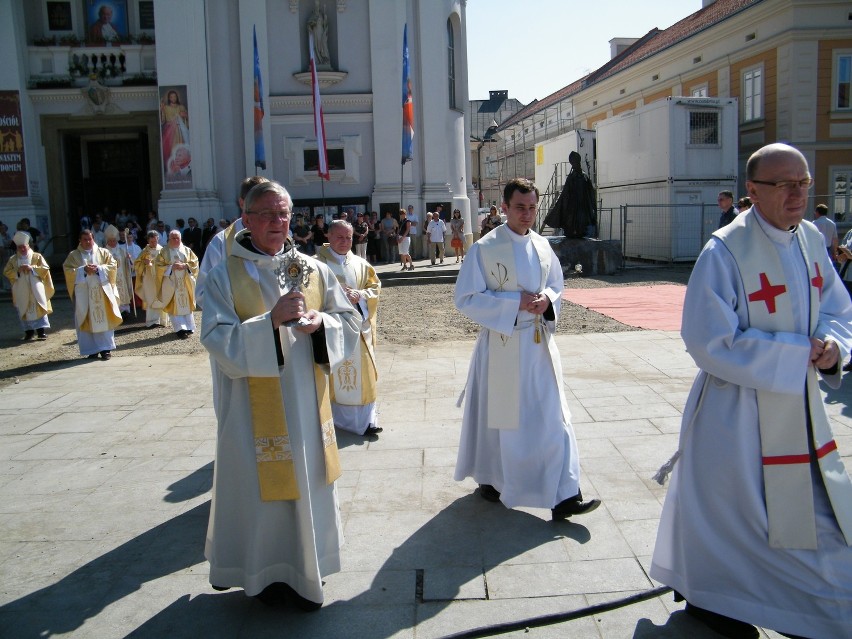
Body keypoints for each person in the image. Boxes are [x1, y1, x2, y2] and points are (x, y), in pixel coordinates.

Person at [650, 143, 852, 639]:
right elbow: (707, 340)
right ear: (753, 191)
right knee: (734, 514)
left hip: (796, 407)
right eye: (783, 184)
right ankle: (717, 600)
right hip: (735, 411)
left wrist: (832, 346)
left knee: (805, 517)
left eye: (803, 182)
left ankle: (780, 602)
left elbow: (836, 307)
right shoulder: (725, 249)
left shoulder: (808, 239)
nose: (797, 193)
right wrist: (794, 353)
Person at [200, 180, 359, 609]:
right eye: (268, 213)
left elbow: (349, 321)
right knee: (260, 487)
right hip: (255, 409)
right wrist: (268, 323)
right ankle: (265, 571)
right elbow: (215, 339)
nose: (278, 221)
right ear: (246, 220)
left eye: (284, 213)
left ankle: (310, 569)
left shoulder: (314, 268)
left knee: (306, 482)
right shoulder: (222, 276)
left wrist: (319, 325)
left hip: (307, 403)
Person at [454, 177, 601, 521]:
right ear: (504, 208)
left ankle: (565, 495)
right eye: (520, 207)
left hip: (539, 346)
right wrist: (514, 302)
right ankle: (494, 478)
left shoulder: (542, 245)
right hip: (504, 345)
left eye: (533, 207)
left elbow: (555, 285)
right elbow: (465, 298)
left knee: (554, 419)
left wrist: (547, 301)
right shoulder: (486, 248)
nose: (527, 214)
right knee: (503, 421)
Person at [315, 220, 382, 437]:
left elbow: (374, 288)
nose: (345, 242)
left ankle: (368, 420)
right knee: (338, 376)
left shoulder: (361, 264)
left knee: (364, 374)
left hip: (359, 330)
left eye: (349, 238)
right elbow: (311, 298)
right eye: (340, 237)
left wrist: (360, 296)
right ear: (329, 237)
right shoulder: (317, 265)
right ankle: (337, 419)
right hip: (333, 331)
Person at [196, 176, 269, 309]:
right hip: (236, 324)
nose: (264, 208)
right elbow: (203, 292)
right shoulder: (221, 243)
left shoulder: (280, 239)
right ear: (242, 203)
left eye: (267, 202)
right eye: (257, 201)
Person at [63, 229, 122, 360]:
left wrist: (99, 269)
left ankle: (106, 349)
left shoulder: (103, 252)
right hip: (84, 294)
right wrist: (82, 270)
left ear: (93, 238)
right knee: (86, 317)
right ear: (80, 240)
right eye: (85, 239)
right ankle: (92, 350)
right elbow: (67, 270)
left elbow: (113, 266)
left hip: (102, 292)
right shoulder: (74, 255)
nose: (88, 242)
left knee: (103, 317)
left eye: (90, 239)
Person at [3, 231, 54, 341]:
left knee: (38, 306)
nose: (22, 249)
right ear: (17, 248)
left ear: (28, 246)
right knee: (23, 307)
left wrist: (32, 268)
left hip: (36, 288)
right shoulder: (13, 259)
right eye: (20, 247)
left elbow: (45, 268)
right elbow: (6, 271)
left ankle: (41, 332)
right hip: (21, 288)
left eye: (24, 247)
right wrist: (18, 271)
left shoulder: (37, 256)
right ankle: (29, 332)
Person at [155, 230, 199, 339]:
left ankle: (189, 327)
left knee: (186, 303)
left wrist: (185, 266)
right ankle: (180, 329)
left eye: (177, 238)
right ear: (169, 239)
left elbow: (195, 262)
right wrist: (171, 267)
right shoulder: (164, 252)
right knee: (174, 304)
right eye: (173, 238)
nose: (175, 240)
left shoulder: (187, 250)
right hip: (171, 284)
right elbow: (158, 266)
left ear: (180, 239)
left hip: (185, 282)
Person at [543, 150, 597, 238]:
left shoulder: (581, 177)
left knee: (578, 224)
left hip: (580, 209)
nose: (574, 164)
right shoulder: (578, 177)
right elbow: (565, 195)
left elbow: (589, 194)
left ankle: (577, 230)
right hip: (575, 209)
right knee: (574, 225)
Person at [134, 230, 168, 328]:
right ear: (148, 240)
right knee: (151, 298)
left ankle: (162, 320)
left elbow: (167, 263)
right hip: (149, 279)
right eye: (152, 241)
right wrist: (144, 263)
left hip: (160, 278)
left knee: (161, 297)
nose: (154, 243)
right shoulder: (145, 251)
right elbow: (137, 265)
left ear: (158, 239)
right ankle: (152, 321)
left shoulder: (162, 250)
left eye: (155, 241)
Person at [103, 225, 134, 318]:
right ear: (107, 241)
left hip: (122, 276)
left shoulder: (122, 250)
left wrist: (128, 259)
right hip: (111, 278)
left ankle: (125, 312)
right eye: (110, 241)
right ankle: (115, 313)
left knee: (123, 294)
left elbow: (129, 265)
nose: (112, 242)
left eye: (114, 240)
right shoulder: (103, 252)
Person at [160, 90, 189, 167]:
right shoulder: (166, 107)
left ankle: (182, 164)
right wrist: (162, 110)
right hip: (170, 132)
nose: (173, 98)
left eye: (175, 96)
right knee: (172, 149)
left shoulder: (181, 107)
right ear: (169, 98)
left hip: (181, 131)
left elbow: (188, 118)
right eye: (171, 97)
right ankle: (173, 165)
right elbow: (162, 120)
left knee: (182, 148)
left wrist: (184, 115)